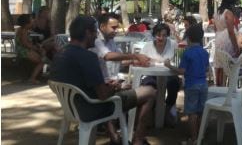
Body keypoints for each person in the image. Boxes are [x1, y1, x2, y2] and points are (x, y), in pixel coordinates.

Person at [50, 16, 156, 145]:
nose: (96, 36)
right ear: (88, 33)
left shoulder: (60, 54)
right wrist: (115, 87)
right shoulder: (88, 57)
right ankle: (138, 140)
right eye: (95, 32)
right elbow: (103, 95)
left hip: (71, 108)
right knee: (150, 92)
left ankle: (115, 137)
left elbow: (76, 82)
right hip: (92, 108)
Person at [165, 24, 209, 145]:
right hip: (203, 85)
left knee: (191, 113)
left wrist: (168, 66)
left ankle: (193, 139)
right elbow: (207, 69)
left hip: (191, 85)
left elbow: (181, 71)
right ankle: (200, 136)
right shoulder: (205, 52)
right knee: (200, 111)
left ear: (188, 38)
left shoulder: (188, 53)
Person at [140, 23, 181, 126]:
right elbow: (141, 60)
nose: (161, 38)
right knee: (149, 86)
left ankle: (167, 111)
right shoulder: (148, 46)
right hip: (150, 74)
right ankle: (150, 113)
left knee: (174, 83)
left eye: (164, 35)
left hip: (169, 74)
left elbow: (178, 61)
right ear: (154, 35)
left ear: (167, 35)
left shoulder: (173, 44)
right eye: (158, 35)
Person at [213, 0, 241, 86]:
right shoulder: (228, 13)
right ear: (231, 4)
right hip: (227, 40)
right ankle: (229, 89)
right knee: (228, 65)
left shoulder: (217, 13)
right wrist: (236, 47)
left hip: (218, 38)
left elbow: (215, 29)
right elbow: (231, 32)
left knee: (220, 65)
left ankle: (219, 87)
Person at [15, 14, 45, 84]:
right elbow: (25, 44)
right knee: (41, 61)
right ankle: (32, 78)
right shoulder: (23, 31)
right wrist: (36, 48)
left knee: (41, 56)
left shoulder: (24, 30)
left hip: (24, 50)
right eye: (31, 20)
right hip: (23, 51)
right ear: (26, 23)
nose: (33, 21)